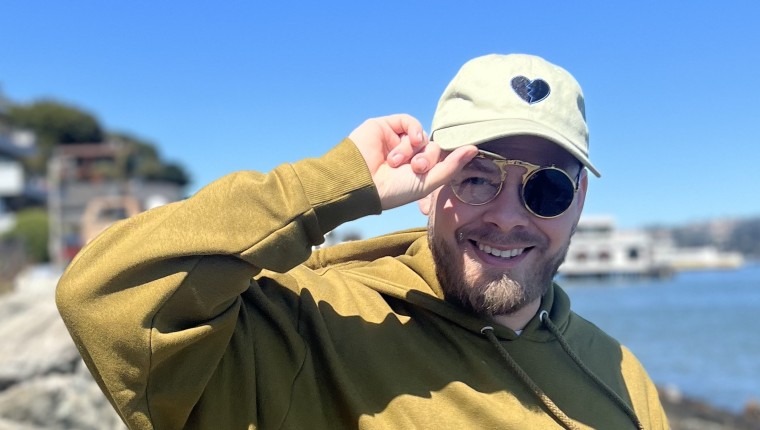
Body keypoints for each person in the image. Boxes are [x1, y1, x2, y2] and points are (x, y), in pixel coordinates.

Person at [56, 53, 669, 429]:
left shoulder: (618, 374)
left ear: (579, 200)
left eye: (547, 189)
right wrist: (335, 185)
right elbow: (106, 299)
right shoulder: (308, 328)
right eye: (477, 176)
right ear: (428, 184)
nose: (508, 217)